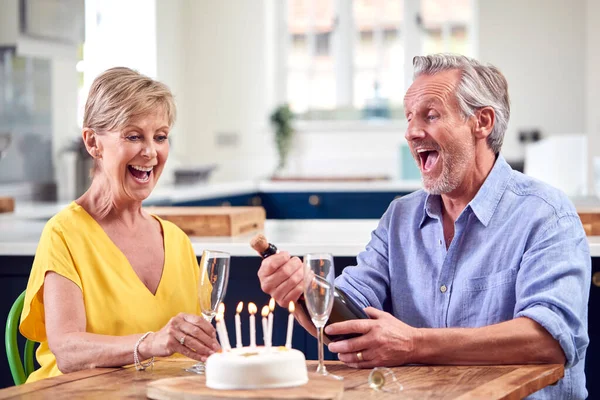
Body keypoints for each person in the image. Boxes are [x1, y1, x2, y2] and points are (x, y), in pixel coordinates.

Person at [257, 54, 590, 399]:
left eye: (431, 115)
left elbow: (549, 340)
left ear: (482, 122)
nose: (412, 132)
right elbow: (345, 321)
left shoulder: (545, 215)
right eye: (409, 118)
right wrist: (302, 292)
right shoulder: (400, 217)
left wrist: (414, 344)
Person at [20, 67, 220, 383]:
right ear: (93, 142)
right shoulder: (64, 234)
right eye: (133, 135)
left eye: (161, 137)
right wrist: (152, 342)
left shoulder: (177, 241)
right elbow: (67, 349)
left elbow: (201, 348)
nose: (151, 152)